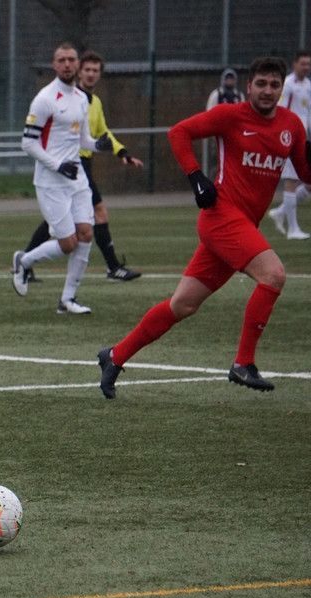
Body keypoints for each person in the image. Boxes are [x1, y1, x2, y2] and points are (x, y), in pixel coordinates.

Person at [98, 56, 305, 399]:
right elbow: (179, 132)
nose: (267, 91)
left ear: (281, 89)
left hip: (242, 226)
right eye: (261, 84)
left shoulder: (292, 125)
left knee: (183, 305)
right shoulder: (230, 115)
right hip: (220, 216)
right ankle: (243, 363)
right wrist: (196, 176)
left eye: (274, 85)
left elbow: (304, 171)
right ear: (248, 86)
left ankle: (115, 356)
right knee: (274, 275)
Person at [21, 50, 143, 284]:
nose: (90, 74)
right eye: (87, 70)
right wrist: (59, 163)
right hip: (65, 167)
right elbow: (30, 141)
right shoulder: (55, 98)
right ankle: (112, 267)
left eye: (95, 70)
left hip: (80, 166)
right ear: (79, 71)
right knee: (91, 216)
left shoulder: (91, 101)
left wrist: (120, 151)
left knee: (68, 224)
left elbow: (100, 133)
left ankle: (30, 266)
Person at [12, 42, 113, 314]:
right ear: (54, 65)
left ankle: (67, 300)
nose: (67, 64)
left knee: (86, 234)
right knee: (68, 244)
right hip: (50, 181)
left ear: (77, 64)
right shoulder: (45, 99)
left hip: (77, 178)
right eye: (62, 60)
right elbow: (28, 143)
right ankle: (24, 261)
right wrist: (58, 166)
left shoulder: (81, 98)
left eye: (71, 59)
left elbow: (82, 139)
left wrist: (97, 145)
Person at [266, 51, 311, 241]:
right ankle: (293, 229)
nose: (306, 67)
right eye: (303, 64)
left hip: (304, 138)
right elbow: (281, 110)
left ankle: (280, 212)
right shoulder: (288, 85)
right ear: (295, 65)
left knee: (308, 183)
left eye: (308, 64)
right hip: (290, 138)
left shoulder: (308, 85)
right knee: (292, 180)